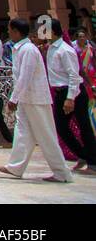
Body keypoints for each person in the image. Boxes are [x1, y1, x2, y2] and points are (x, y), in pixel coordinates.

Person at [0, 17, 73, 183]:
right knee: (23, 133)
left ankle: (61, 172)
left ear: (16, 31)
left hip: (36, 98)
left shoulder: (29, 49)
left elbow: (26, 76)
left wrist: (13, 98)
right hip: (26, 98)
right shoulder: (20, 49)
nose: (8, 32)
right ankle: (16, 167)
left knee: (46, 134)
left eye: (10, 30)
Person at [44, 28, 96, 173]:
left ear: (52, 32)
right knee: (61, 127)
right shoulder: (50, 49)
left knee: (84, 125)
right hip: (61, 92)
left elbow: (74, 75)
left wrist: (70, 98)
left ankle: (93, 162)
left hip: (73, 91)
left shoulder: (65, 50)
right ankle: (84, 155)